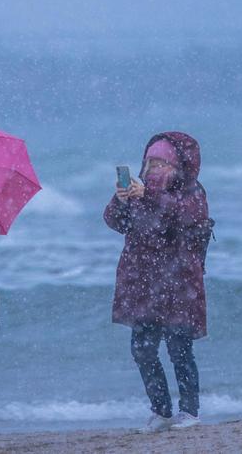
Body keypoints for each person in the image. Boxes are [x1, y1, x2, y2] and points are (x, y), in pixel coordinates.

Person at [103, 131, 213, 433]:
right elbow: (113, 221)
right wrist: (121, 199)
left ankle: (189, 412)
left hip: (178, 283)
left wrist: (149, 195)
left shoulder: (192, 192)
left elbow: (185, 218)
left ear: (177, 167)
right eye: (150, 163)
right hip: (142, 282)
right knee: (143, 350)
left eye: (161, 163)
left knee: (179, 348)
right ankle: (161, 410)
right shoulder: (139, 193)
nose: (153, 169)